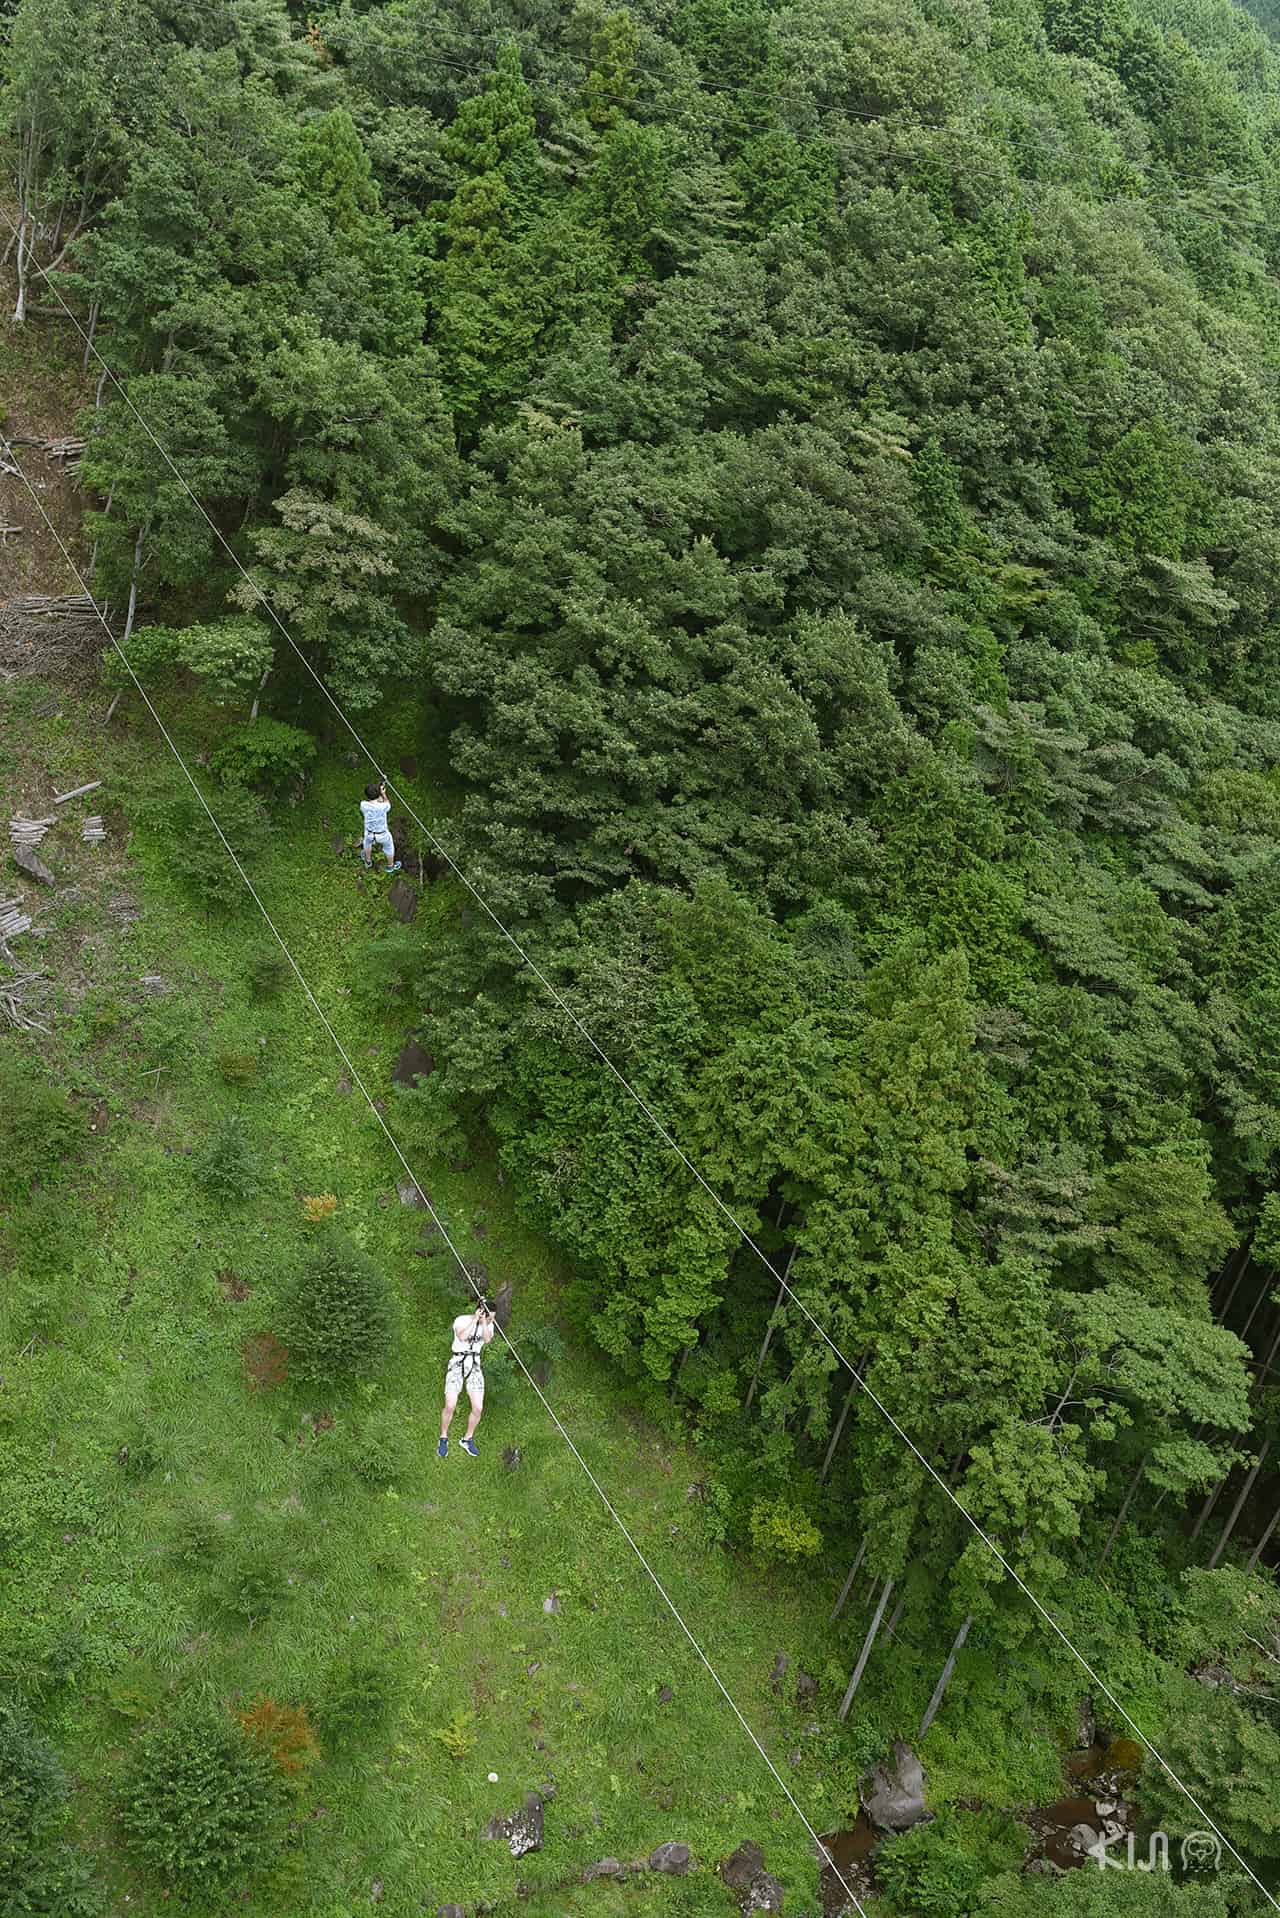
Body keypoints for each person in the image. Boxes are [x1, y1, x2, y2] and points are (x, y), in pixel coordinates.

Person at [438, 1300, 496, 1458]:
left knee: (478, 1408)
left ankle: (467, 1439)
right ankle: (443, 1437)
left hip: (475, 1365)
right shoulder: (461, 1320)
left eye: (492, 1318)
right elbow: (462, 1336)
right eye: (490, 1317)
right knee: (450, 1405)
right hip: (457, 1362)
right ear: (480, 1311)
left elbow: (488, 1339)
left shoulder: (489, 1325)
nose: (492, 1320)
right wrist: (474, 1320)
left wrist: (484, 1322)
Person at [359, 779, 400, 872]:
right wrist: (383, 793)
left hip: (369, 833)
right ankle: (390, 866)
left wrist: (379, 793)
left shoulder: (363, 805)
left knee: (367, 844)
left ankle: (368, 862)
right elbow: (387, 803)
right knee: (389, 847)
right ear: (378, 795)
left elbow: (376, 802)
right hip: (382, 834)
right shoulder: (383, 807)